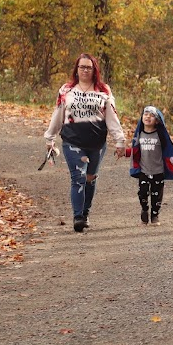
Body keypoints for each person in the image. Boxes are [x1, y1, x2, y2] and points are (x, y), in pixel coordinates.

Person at [44, 53, 125, 232]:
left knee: (90, 178)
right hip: (72, 141)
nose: (85, 70)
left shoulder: (103, 90)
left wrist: (119, 140)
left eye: (88, 67)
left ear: (94, 69)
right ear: (76, 69)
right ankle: (78, 216)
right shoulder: (67, 90)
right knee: (78, 177)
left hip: (96, 143)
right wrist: (50, 137)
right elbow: (58, 114)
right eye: (82, 67)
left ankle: (85, 212)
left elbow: (111, 116)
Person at [128, 106, 173, 226]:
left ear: (157, 120)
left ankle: (154, 216)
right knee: (142, 193)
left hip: (158, 171)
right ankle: (144, 210)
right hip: (143, 170)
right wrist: (125, 152)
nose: (148, 117)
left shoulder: (160, 136)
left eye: (152, 115)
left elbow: (168, 150)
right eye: (145, 114)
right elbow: (135, 150)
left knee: (156, 195)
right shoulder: (139, 134)